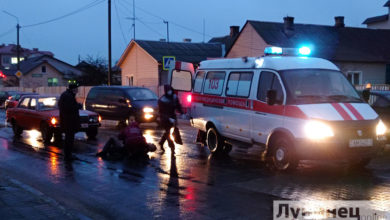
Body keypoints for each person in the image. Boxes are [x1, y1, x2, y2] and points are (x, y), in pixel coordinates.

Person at [58, 82, 81, 161]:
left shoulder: (66, 95)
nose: (77, 91)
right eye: (76, 89)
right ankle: (68, 156)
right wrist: (78, 106)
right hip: (69, 122)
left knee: (69, 139)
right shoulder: (68, 96)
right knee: (69, 139)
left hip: (67, 121)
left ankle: (68, 155)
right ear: (73, 89)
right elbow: (69, 108)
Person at [158, 85, 183, 154]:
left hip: (173, 117)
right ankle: (172, 146)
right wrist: (168, 118)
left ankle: (161, 143)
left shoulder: (174, 97)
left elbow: (178, 105)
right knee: (168, 132)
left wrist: (182, 113)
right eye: (168, 90)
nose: (170, 92)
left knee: (168, 132)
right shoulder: (162, 100)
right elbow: (161, 112)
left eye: (170, 90)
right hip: (165, 119)